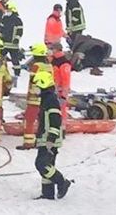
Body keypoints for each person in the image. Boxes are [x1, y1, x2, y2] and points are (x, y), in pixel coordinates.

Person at [31, 70, 73, 200]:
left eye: (36, 86)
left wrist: (50, 139)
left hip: (49, 140)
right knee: (49, 165)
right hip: (45, 138)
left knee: (41, 164)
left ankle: (62, 182)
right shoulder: (46, 99)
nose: (34, 89)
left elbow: (55, 120)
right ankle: (48, 194)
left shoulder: (50, 101)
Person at [18, 43, 53, 150]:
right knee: (42, 121)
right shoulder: (49, 66)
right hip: (46, 98)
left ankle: (28, 143)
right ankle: (40, 141)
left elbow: (33, 81)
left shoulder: (36, 66)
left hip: (34, 98)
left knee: (29, 120)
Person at [50, 43, 72, 126]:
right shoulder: (54, 61)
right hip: (53, 89)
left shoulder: (63, 63)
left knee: (61, 110)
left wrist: (63, 95)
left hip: (60, 91)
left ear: (56, 49)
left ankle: (62, 128)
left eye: (52, 49)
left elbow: (66, 80)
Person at [1, 1, 24, 68]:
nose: (7, 11)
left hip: (13, 45)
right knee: (0, 58)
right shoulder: (4, 19)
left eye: (8, 9)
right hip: (4, 44)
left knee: (15, 60)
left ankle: (17, 73)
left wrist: (16, 39)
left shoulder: (17, 20)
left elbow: (20, 31)